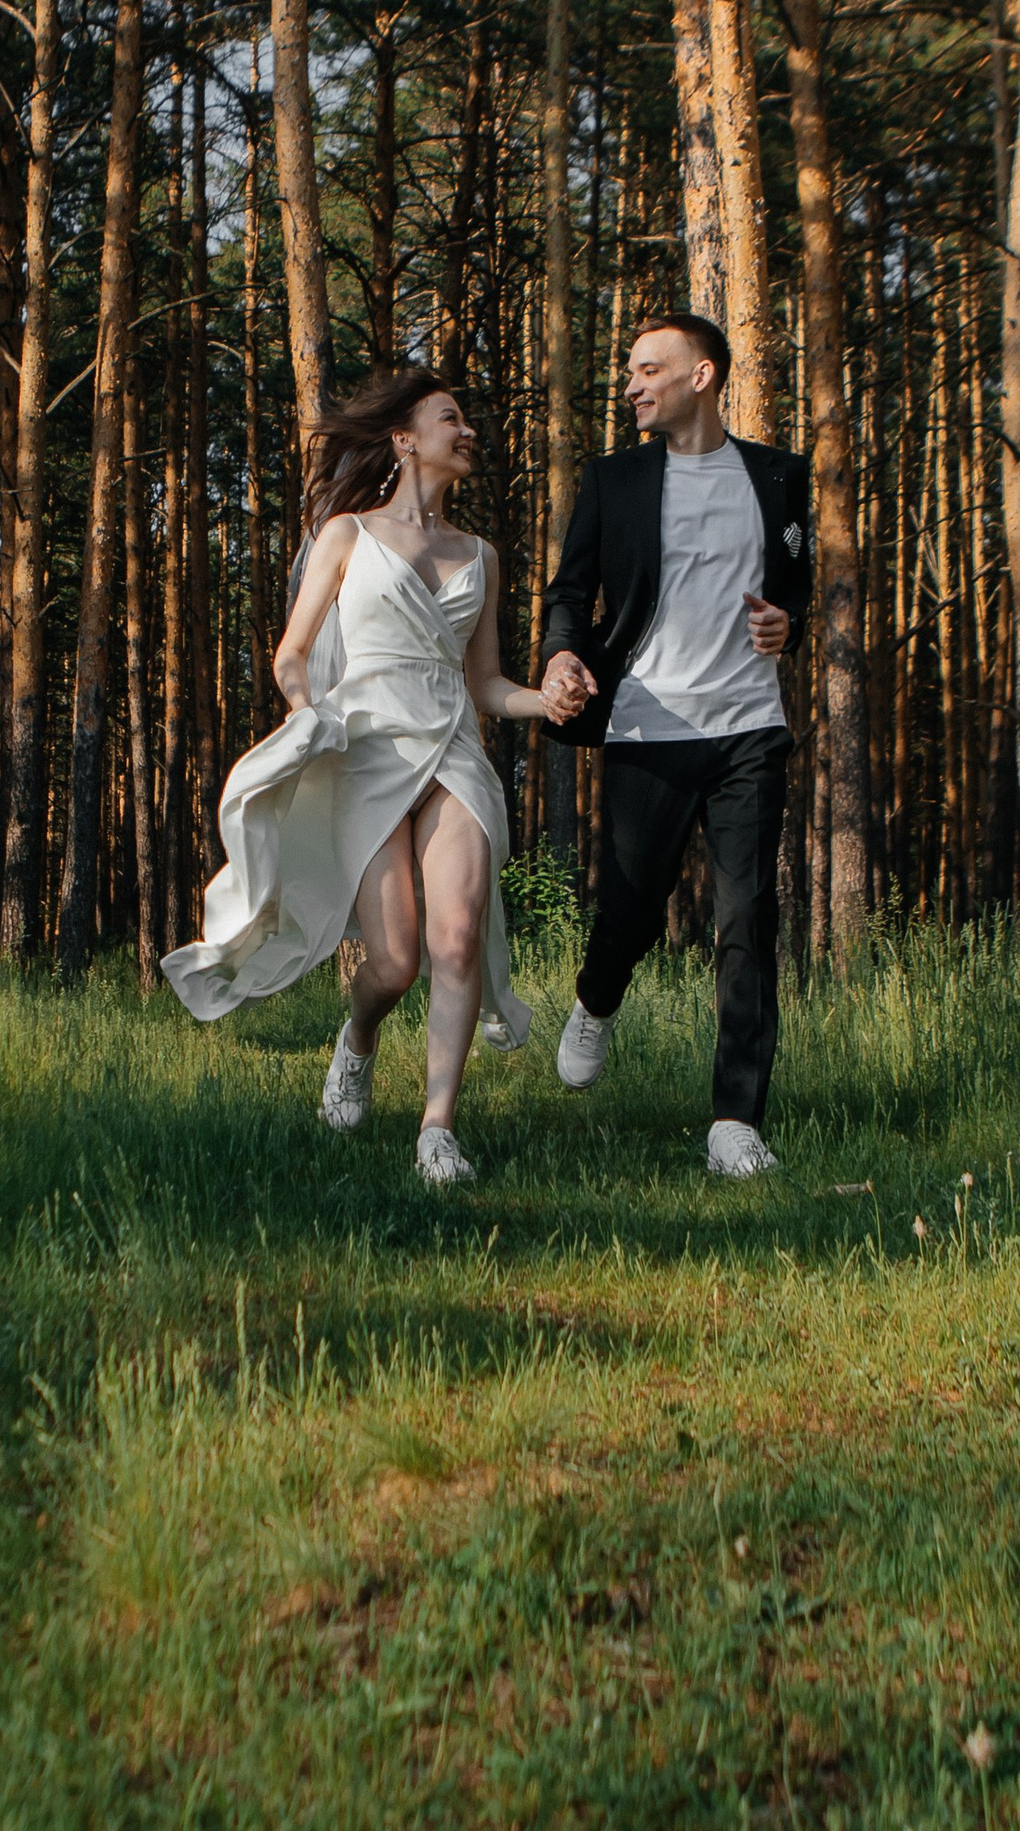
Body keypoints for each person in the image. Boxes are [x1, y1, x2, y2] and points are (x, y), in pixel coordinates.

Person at [164, 368, 584, 1184]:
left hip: (452, 749)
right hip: (367, 750)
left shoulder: (481, 555)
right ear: (404, 437)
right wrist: (302, 705)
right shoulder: (347, 537)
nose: (466, 432)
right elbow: (293, 651)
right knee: (391, 963)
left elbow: (483, 682)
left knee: (456, 935)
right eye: (450, 417)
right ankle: (357, 1041)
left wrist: (544, 700)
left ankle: (437, 1130)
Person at [539, 310, 813, 1179]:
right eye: (629, 371)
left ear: (702, 375)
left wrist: (786, 622)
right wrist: (562, 655)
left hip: (748, 728)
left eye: (649, 369)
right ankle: (595, 997)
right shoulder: (615, 480)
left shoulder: (777, 475)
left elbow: (793, 588)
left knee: (747, 920)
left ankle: (735, 1119)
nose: (631, 385)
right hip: (649, 725)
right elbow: (570, 589)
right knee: (630, 910)